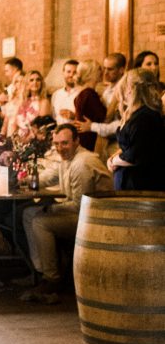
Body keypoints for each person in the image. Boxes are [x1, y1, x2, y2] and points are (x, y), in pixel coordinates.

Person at [20, 124, 112, 303]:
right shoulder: (66, 158)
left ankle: (51, 279)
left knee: (41, 222)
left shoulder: (82, 163)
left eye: (64, 143)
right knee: (30, 213)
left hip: (96, 220)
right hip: (84, 214)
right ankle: (40, 270)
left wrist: (52, 209)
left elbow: (80, 206)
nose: (59, 148)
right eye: (56, 144)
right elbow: (47, 177)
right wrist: (21, 179)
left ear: (77, 141)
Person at [107, 69, 165, 191]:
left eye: (126, 88)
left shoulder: (146, 116)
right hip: (128, 182)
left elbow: (137, 154)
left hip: (141, 183)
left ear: (132, 89)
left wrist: (115, 160)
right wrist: (113, 158)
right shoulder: (136, 114)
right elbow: (129, 147)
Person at [73, 60, 106, 152]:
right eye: (99, 69)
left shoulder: (83, 93)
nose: (102, 72)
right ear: (91, 73)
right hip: (89, 138)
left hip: (83, 136)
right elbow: (104, 118)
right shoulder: (89, 94)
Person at [12, 70, 51, 137]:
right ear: (27, 83)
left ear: (41, 83)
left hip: (33, 140)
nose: (35, 82)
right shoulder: (22, 101)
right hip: (18, 139)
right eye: (31, 80)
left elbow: (41, 128)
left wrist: (26, 140)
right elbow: (15, 124)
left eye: (38, 80)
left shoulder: (44, 102)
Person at [50, 59, 79, 124]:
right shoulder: (56, 94)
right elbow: (54, 117)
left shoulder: (82, 94)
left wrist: (74, 116)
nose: (71, 75)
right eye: (68, 72)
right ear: (63, 73)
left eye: (75, 72)